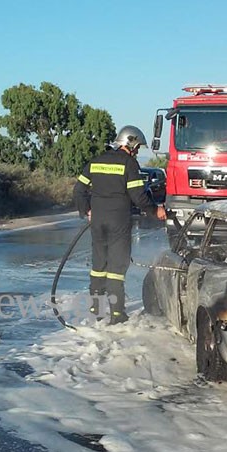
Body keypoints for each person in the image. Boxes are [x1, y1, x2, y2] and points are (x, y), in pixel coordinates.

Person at [73, 126, 167, 324]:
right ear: (130, 143)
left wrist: (87, 211)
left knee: (99, 264)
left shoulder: (96, 161)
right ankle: (117, 314)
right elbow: (138, 196)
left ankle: (96, 309)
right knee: (117, 266)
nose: (137, 151)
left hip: (97, 221)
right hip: (119, 222)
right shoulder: (129, 164)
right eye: (137, 147)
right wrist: (154, 210)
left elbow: (79, 190)